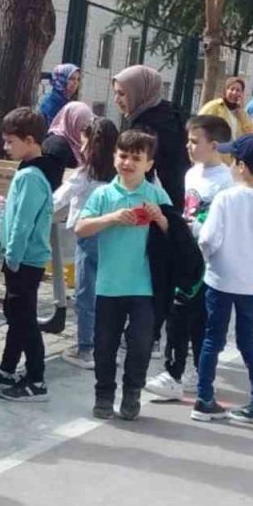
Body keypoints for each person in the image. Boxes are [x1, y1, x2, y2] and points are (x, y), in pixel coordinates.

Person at [191, 134, 253, 427]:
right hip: (252, 285)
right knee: (248, 341)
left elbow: (208, 238)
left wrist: (208, 259)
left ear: (242, 166)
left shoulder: (225, 198)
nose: (229, 163)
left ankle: (204, 398)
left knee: (213, 339)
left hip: (220, 279)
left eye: (232, 159)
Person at [74, 129, 172, 421]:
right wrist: (113, 218)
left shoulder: (155, 193)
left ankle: (132, 393)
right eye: (123, 156)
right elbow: (81, 227)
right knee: (105, 345)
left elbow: (176, 233)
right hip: (108, 284)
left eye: (136, 158)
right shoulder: (103, 193)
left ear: (148, 164)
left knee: (141, 343)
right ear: (115, 157)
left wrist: (160, 218)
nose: (128, 162)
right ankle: (104, 395)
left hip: (144, 285)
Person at [0, 108, 56, 402]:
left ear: (30, 140)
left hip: (25, 260)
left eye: (10, 142)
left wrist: (13, 257)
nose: (5, 148)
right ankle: (7, 368)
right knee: (16, 315)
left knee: (25, 320)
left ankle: (37, 379)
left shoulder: (31, 176)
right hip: (21, 259)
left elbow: (23, 222)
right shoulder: (30, 171)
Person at [144, 115, 233, 401]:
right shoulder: (191, 173)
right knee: (179, 313)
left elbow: (220, 226)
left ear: (214, 145)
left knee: (193, 317)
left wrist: (197, 232)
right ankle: (180, 371)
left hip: (208, 259)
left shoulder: (226, 182)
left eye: (195, 141)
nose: (189, 146)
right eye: (188, 140)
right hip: (186, 254)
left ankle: (179, 374)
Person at [113, 64, 188, 358]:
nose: (119, 99)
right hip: (170, 206)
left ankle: (149, 336)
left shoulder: (145, 128)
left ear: (138, 92)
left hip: (150, 208)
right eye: (116, 94)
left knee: (148, 271)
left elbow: (139, 176)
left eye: (122, 93)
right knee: (159, 271)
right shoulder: (171, 113)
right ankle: (153, 334)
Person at [55, 118, 119, 370]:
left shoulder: (85, 174)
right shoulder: (118, 176)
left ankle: (86, 348)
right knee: (107, 294)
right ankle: (106, 345)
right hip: (113, 238)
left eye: (84, 144)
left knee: (85, 294)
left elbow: (58, 199)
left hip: (88, 237)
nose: (80, 150)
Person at [42, 101, 95, 187]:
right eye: (82, 127)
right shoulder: (56, 147)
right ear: (73, 122)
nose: (85, 132)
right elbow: (51, 185)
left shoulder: (79, 145)